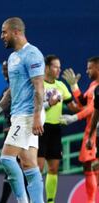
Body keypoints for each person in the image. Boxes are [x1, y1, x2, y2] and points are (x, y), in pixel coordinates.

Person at [0, 17, 45, 203]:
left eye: (4, 32)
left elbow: (39, 89)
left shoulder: (32, 54)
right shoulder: (12, 57)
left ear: (16, 32)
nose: (1, 36)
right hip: (19, 114)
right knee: (29, 164)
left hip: (28, 114)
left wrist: (35, 117)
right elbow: (12, 91)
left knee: (6, 159)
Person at [38, 55, 78, 203]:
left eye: (59, 67)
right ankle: (34, 199)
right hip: (40, 129)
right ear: (47, 67)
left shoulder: (61, 85)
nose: (59, 70)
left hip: (55, 130)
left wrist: (75, 88)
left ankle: (50, 201)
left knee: (54, 168)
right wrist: (49, 103)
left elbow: (75, 107)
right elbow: (32, 107)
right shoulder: (38, 84)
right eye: (56, 66)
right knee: (38, 169)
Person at [60, 57, 99, 203]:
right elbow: (84, 102)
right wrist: (75, 87)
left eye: (90, 68)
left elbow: (92, 109)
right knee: (89, 166)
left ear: (98, 68)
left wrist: (73, 118)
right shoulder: (93, 85)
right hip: (91, 132)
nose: (87, 71)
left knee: (92, 165)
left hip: (95, 134)